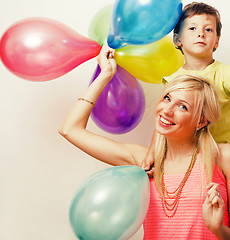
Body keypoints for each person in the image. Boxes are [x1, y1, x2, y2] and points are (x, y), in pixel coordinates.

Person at [59, 45, 230, 239]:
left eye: (182, 106)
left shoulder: (222, 157)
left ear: (201, 121)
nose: (167, 110)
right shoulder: (145, 162)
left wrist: (218, 229)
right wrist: (105, 75)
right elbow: (69, 129)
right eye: (167, 98)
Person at [142, 2, 230, 176]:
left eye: (208, 30)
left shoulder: (225, 74)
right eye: (192, 28)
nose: (200, 34)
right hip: (186, 158)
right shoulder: (172, 81)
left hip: (221, 156)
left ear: (217, 41)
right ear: (177, 39)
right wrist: (152, 151)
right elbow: (164, 120)